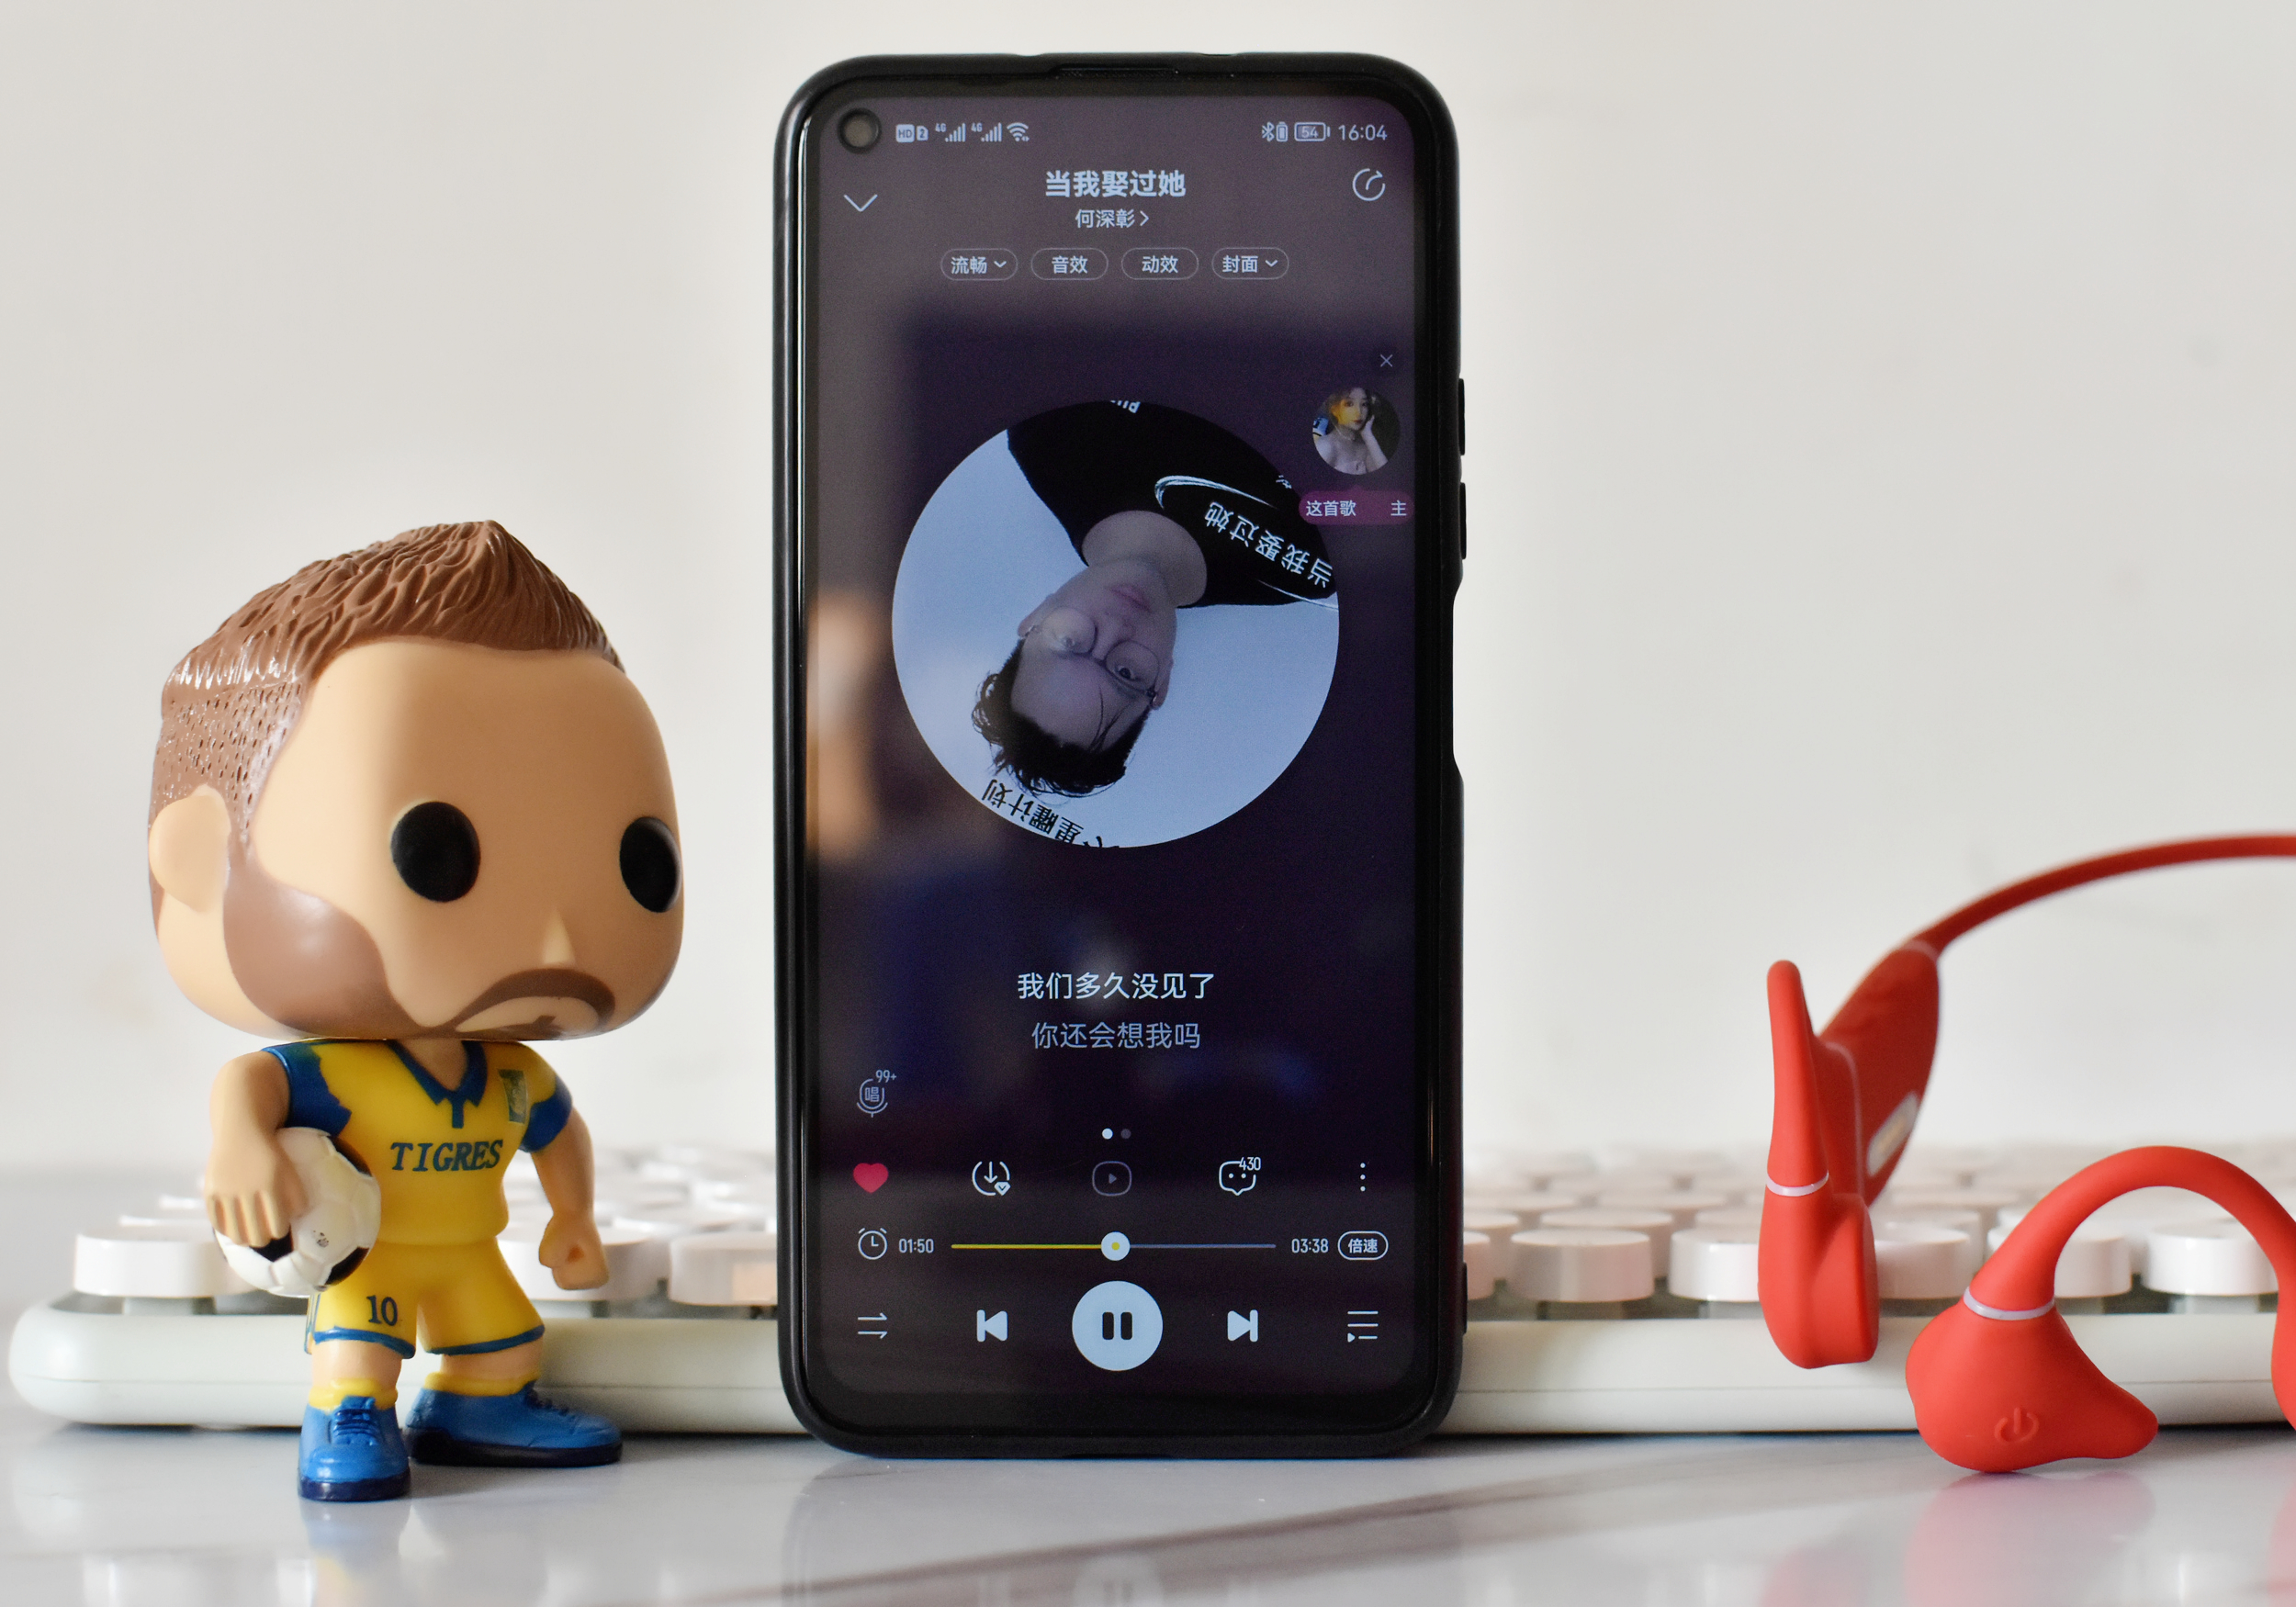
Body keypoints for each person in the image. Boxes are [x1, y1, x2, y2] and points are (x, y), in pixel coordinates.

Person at [146, 522, 684, 1501]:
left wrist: (572, 1215)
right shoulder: (336, 1073)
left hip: (471, 1251)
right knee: (360, 1346)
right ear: (199, 863)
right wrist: (239, 1149)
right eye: (437, 856)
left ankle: (481, 1404)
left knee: (501, 1338)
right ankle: (349, 1413)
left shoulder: (513, 1075)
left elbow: (558, 1133)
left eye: (638, 862)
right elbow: (252, 1085)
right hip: (373, 1258)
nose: (557, 937)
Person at [973, 401, 1336, 797]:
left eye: (1069, 641)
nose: (1115, 626)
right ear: (1161, 684)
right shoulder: (1309, 566)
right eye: (1126, 673)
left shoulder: (1046, 431)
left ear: (1035, 618)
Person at [1312, 387, 1390, 475]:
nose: (1359, 412)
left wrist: (1368, 436)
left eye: (1364, 404)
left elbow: (1386, 477)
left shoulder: (1364, 445)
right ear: (1334, 410)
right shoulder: (1326, 447)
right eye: (1349, 404)